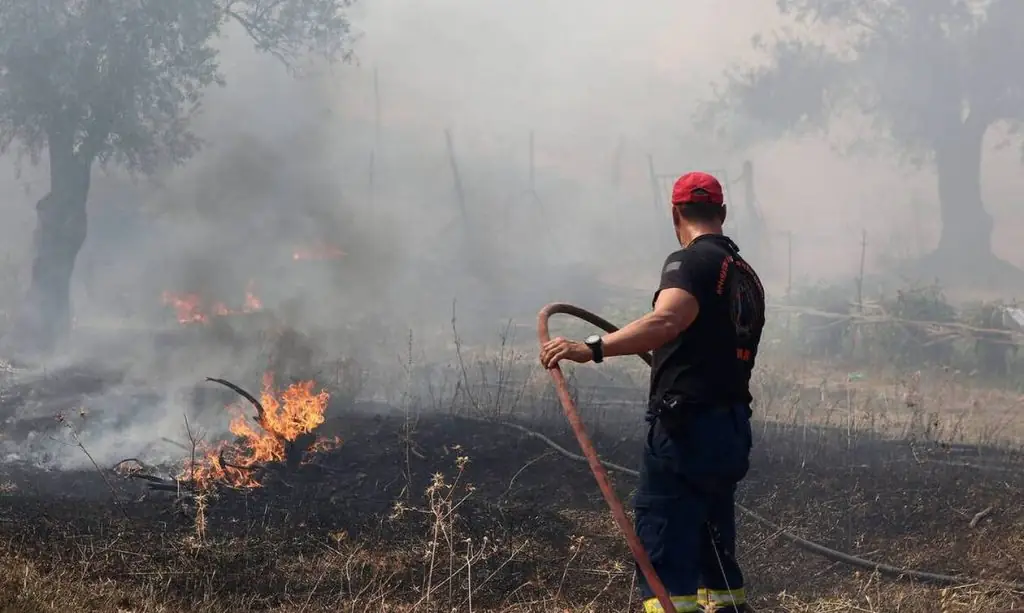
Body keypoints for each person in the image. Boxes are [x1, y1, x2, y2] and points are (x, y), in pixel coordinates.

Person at [539, 171, 765, 613]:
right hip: (730, 428)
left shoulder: (690, 263)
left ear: (676, 213)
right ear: (722, 213)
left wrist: (592, 348)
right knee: (713, 544)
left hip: (687, 430)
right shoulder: (747, 276)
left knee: (664, 543)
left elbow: (666, 321)